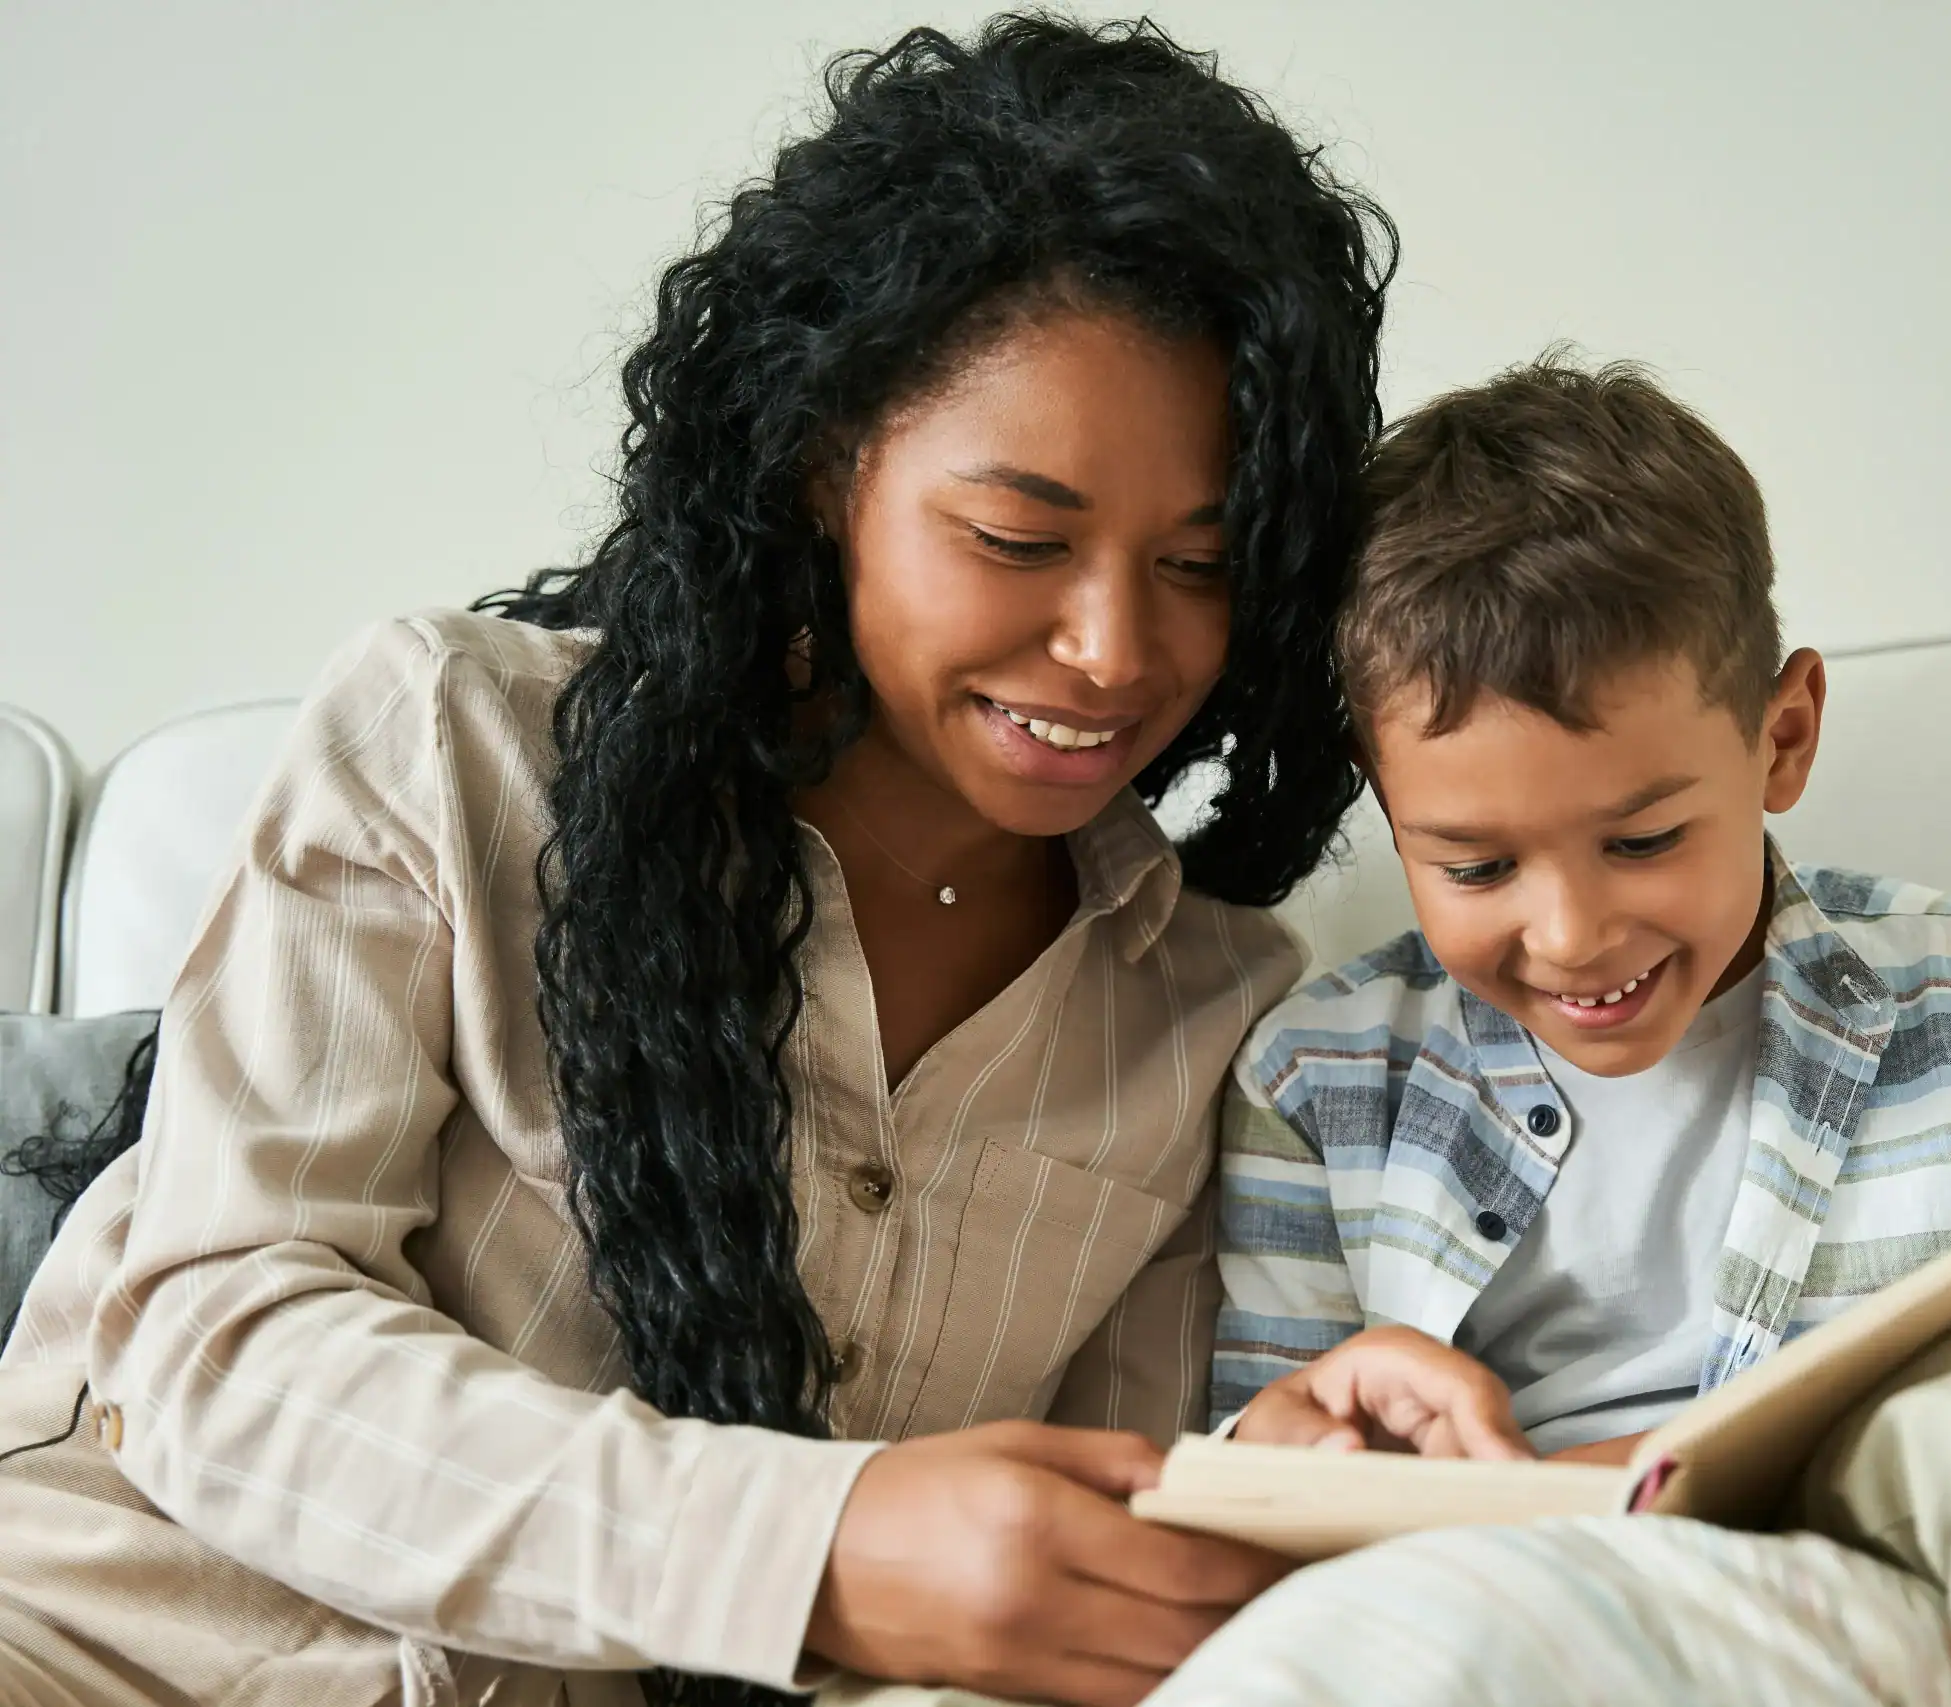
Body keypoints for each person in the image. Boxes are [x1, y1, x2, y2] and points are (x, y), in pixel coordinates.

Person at [0, 17, 1394, 1707]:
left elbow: (1059, 1607)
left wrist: (1285, 1487)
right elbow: (218, 1338)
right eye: (1019, 537)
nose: (1113, 648)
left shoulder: (1206, 1006)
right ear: (823, 466)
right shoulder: (455, 742)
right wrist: (815, 1544)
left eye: (1198, 566)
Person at [1209, 356, 1951, 1704]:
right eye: (1475, 866)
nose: (1570, 933)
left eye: (1643, 839)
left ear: (1784, 737)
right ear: (1387, 806)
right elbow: (1249, 1494)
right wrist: (1311, 1436)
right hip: (1522, 1588)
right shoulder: (1319, 1076)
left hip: (1901, 1551)